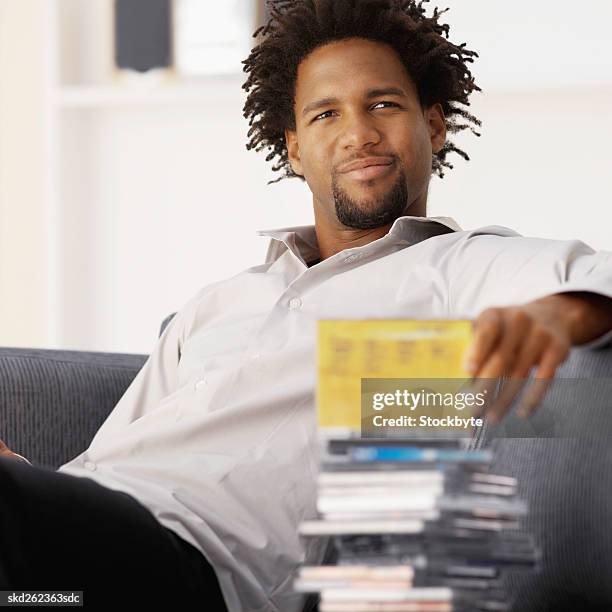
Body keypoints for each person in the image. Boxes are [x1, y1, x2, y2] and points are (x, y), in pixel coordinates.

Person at [2, 1, 612, 611]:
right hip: (61, 576)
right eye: (326, 114)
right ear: (294, 149)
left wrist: (561, 313)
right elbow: (104, 463)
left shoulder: (462, 267)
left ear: (434, 125)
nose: (358, 133)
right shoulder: (219, 303)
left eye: (383, 104)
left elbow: (597, 275)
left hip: (188, 562)